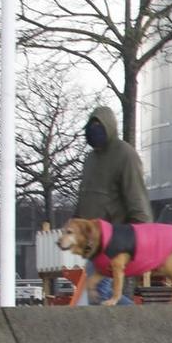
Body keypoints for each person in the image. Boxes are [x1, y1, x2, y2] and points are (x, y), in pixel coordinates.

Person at [71, 106, 152, 305]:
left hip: (114, 237)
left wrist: (138, 234)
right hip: (93, 240)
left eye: (99, 125)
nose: (95, 129)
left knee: (100, 291)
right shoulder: (91, 159)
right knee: (96, 292)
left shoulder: (125, 155)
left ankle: (140, 323)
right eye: (92, 125)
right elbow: (86, 195)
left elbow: (136, 195)